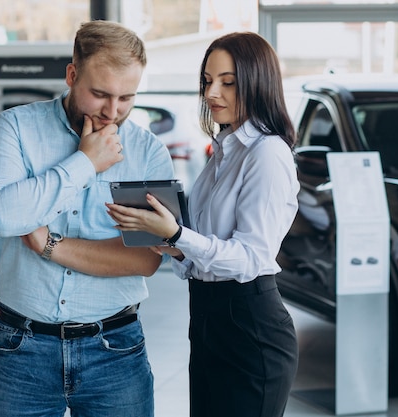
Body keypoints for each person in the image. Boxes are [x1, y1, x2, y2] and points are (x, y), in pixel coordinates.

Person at [0, 20, 174, 417]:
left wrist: (51, 245)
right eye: (100, 94)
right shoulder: (13, 129)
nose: (112, 111)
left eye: (127, 98)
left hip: (115, 350)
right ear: (72, 75)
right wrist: (86, 162)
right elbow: (3, 216)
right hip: (20, 349)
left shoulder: (149, 152)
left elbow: (146, 259)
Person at [106, 31, 300, 417]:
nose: (212, 93)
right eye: (207, 81)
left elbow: (250, 258)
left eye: (227, 82)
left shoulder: (267, 154)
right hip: (208, 318)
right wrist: (173, 244)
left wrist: (178, 234)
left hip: (251, 325)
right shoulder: (224, 150)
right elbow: (208, 246)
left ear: (257, 82)